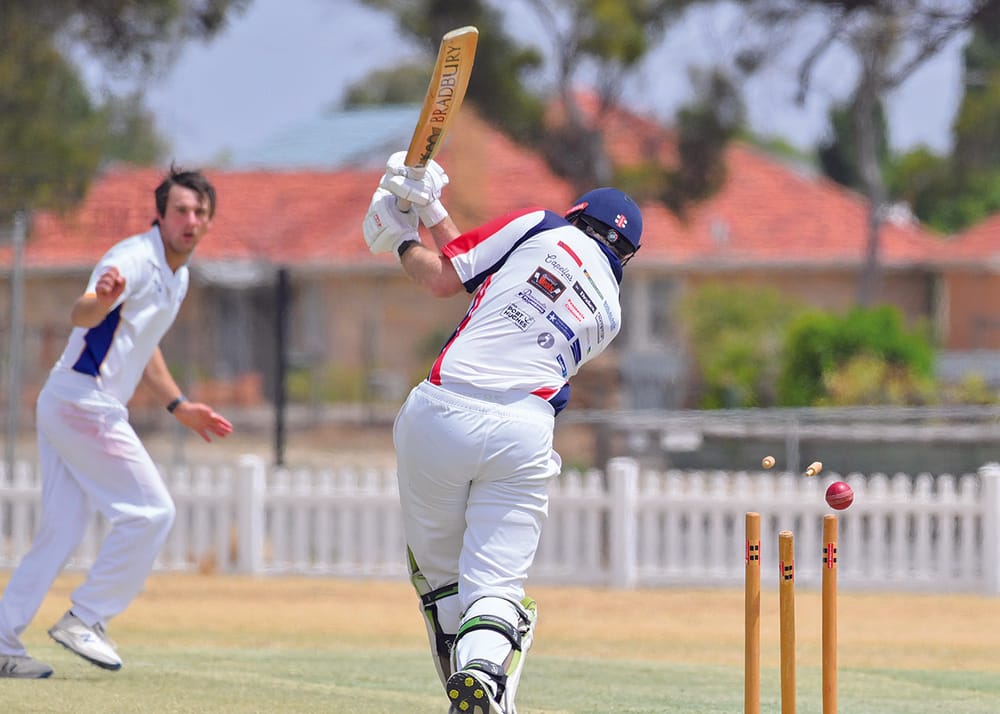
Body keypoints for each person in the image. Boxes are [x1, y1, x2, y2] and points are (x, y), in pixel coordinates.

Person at [362, 152, 643, 714]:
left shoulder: (542, 224)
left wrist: (399, 238)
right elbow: (487, 276)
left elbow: (447, 277)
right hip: (524, 430)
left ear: (575, 213)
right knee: (494, 586)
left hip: (442, 412)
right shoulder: (611, 312)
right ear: (626, 258)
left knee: (441, 579)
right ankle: (484, 674)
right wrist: (431, 207)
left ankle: (473, 683)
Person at [0, 166, 233, 679]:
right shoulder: (133, 259)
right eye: (180, 210)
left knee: (62, 530)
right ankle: (86, 617)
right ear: (161, 216)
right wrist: (102, 300)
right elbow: (82, 313)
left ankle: (1, 642)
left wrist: (178, 406)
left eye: (199, 212)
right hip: (84, 402)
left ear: (209, 221)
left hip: (67, 401)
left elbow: (144, 347)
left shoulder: (178, 275)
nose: (189, 220)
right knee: (151, 513)